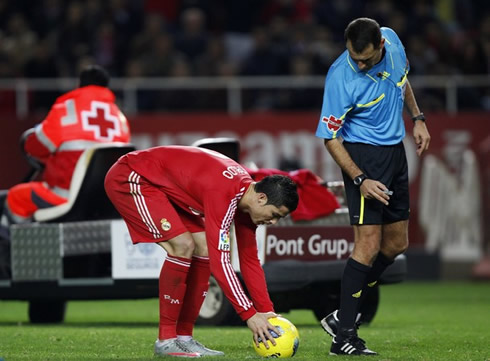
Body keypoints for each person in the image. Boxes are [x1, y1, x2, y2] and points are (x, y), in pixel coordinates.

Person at [104, 145, 299, 358]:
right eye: (274, 214)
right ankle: (166, 341)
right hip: (132, 175)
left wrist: (265, 310)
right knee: (183, 245)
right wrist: (249, 314)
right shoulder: (224, 193)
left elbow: (249, 259)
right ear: (261, 198)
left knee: (203, 247)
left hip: (162, 185)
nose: (272, 221)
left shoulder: (245, 199)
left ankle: (184, 338)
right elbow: (221, 264)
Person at [315, 18, 430, 356]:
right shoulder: (340, 76)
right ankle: (344, 337)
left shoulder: (393, 41)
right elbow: (330, 138)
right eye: (354, 56)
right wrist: (360, 179)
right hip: (363, 159)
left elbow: (401, 81)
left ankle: (341, 317)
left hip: (395, 153)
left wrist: (418, 118)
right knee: (367, 245)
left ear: (381, 44)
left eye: (365, 58)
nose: (359, 64)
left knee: (396, 244)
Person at [3, 65, 130, 224]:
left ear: (80, 84)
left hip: (65, 197)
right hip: (104, 202)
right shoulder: (120, 118)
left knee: (15, 197)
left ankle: (11, 246)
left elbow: (34, 147)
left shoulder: (66, 110)